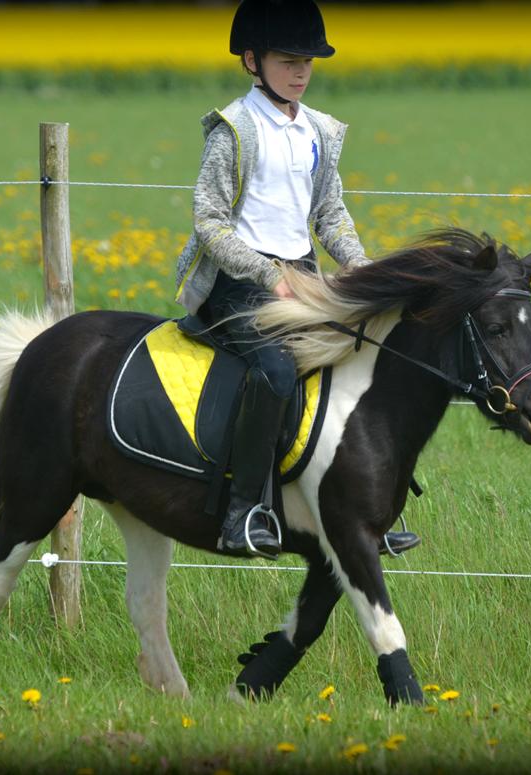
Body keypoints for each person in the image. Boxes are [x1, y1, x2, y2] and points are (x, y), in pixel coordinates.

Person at [175, 0, 420, 559]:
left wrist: (359, 266)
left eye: (308, 59)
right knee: (277, 371)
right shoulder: (234, 129)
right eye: (288, 58)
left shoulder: (319, 131)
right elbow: (208, 221)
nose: (302, 70)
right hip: (239, 282)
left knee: (368, 356)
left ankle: (368, 510)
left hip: (303, 277)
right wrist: (267, 275)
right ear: (251, 60)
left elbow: (329, 214)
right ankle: (243, 513)